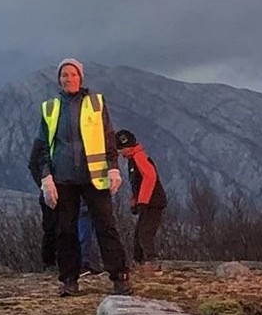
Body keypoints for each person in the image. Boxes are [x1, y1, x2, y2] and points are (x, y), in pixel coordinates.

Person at [30, 59, 129, 296]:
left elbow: (108, 138)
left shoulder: (96, 103)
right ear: (59, 79)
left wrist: (114, 167)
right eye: (64, 75)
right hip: (64, 180)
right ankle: (69, 280)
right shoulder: (50, 109)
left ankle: (120, 276)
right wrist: (46, 178)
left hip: (94, 177)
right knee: (66, 231)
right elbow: (41, 146)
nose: (68, 79)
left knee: (106, 226)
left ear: (80, 78)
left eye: (73, 74)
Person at [114, 129, 167, 271]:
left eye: (120, 149)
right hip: (147, 202)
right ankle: (138, 262)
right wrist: (134, 201)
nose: (120, 153)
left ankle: (152, 261)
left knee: (145, 233)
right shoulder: (133, 160)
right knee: (138, 233)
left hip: (153, 202)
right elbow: (137, 184)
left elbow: (150, 177)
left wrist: (142, 201)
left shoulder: (139, 157)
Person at [28, 137, 59, 268]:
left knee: (65, 228)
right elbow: (33, 165)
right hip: (49, 191)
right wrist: (43, 185)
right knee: (51, 227)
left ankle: (62, 262)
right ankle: (49, 262)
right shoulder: (42, 140)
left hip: (67, 189)